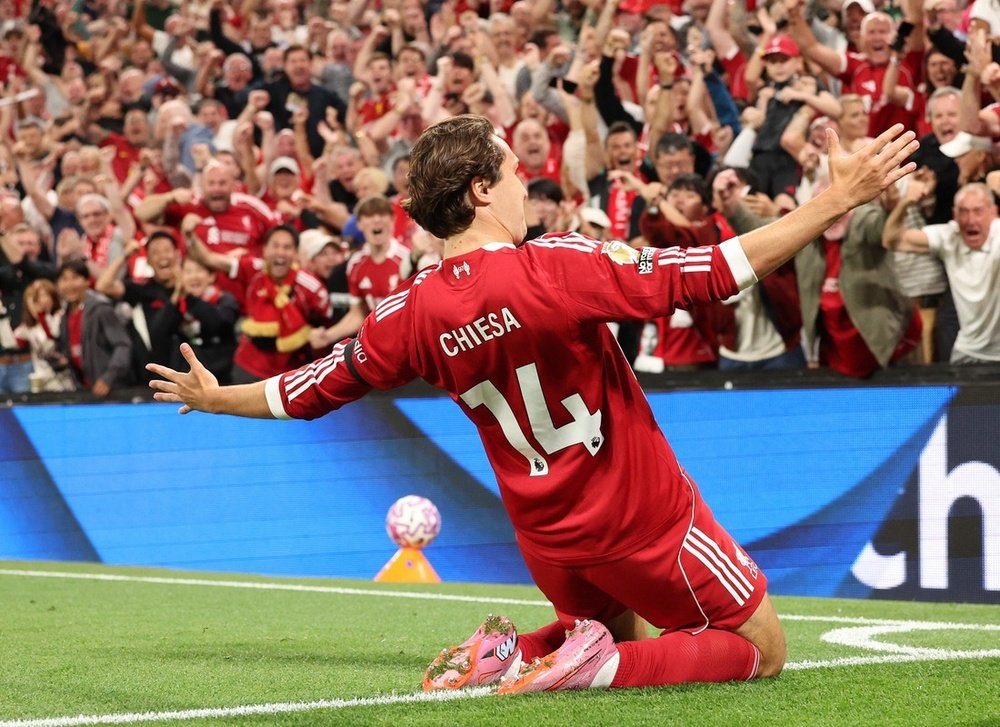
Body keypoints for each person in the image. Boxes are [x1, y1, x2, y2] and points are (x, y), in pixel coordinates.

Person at [148, 115, 917, 694]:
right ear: (482, 189)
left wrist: (216, 397)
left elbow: (304, 392)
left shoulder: (403, 313)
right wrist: (836, 199)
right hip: (643, 519)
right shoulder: (553, 265)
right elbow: (713, 270)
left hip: (548, 539)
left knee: (610, 624)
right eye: (516, 170)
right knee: (759, 646)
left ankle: (524, 651)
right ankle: (591, 667)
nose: (525, 183)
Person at [882, 182, 1000, 365]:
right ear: (954, 214)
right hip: (966, 350)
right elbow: (892, 240)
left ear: (994, 213)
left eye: (978, 211)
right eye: (964, 211)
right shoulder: (949, 236)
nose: (970, 220)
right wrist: (905, 202)